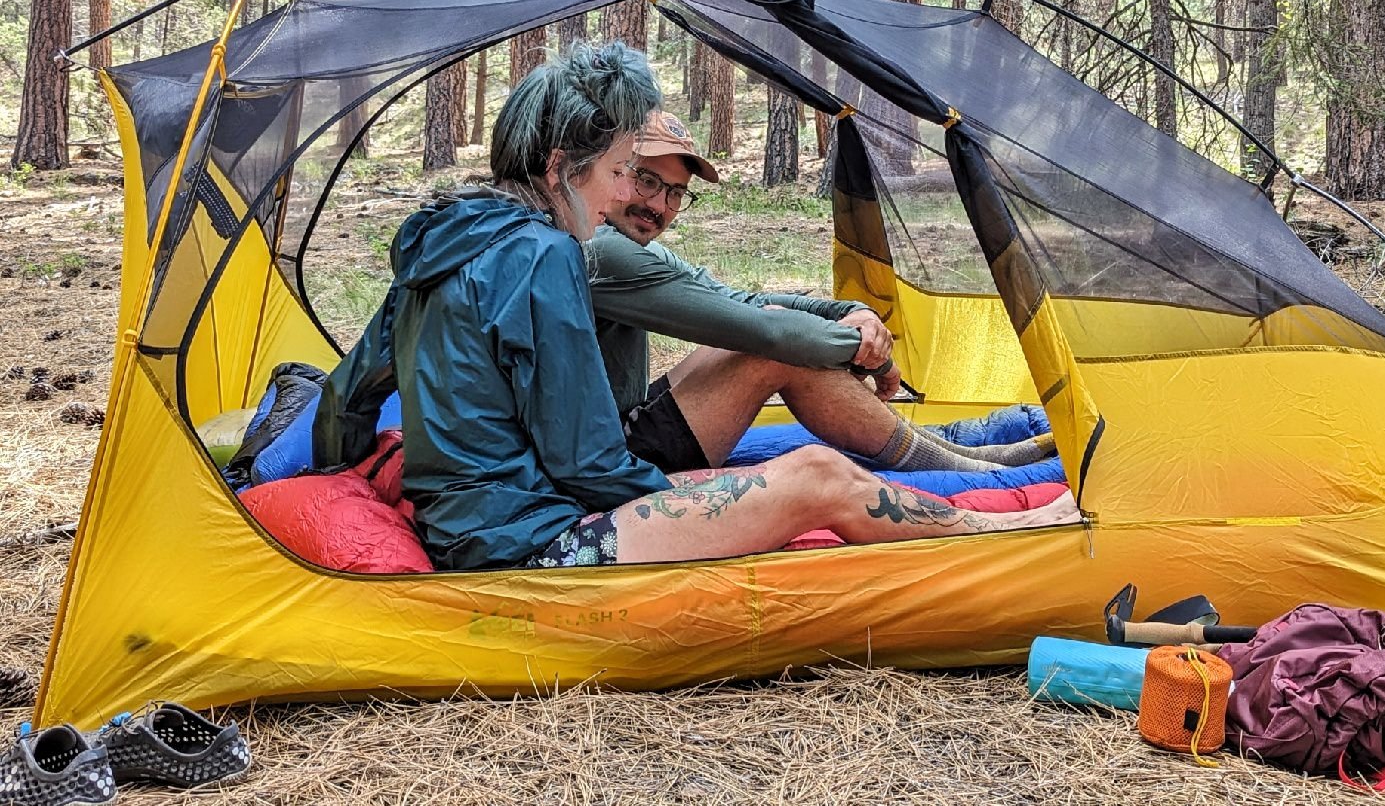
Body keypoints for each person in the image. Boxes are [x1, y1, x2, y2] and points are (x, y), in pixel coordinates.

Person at [317, 42, 1075, 573]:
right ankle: (1004, 531)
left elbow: (348, 393)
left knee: (803, 472)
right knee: (814, 477)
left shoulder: (445, 236)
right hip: (529, 539)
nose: (623, 193)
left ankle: (989, 508)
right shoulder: (544, 253)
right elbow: (590, 467)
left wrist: (331, 468)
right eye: (620, 171)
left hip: (476, 525)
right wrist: (714, 502)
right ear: (558, 168)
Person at [587, 110, 1057, 474]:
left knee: (771, 328)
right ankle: (966, 469)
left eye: (674, 192)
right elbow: (769, 334)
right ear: (612, 171)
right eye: (646, 180)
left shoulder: (621, 243)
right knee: (776, 350)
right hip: (612, 465)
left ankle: (957, 453)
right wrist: (864, 350)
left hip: (615, 427)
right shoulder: (601, 249)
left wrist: (844, 311)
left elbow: (738, 304)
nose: (658, 205)